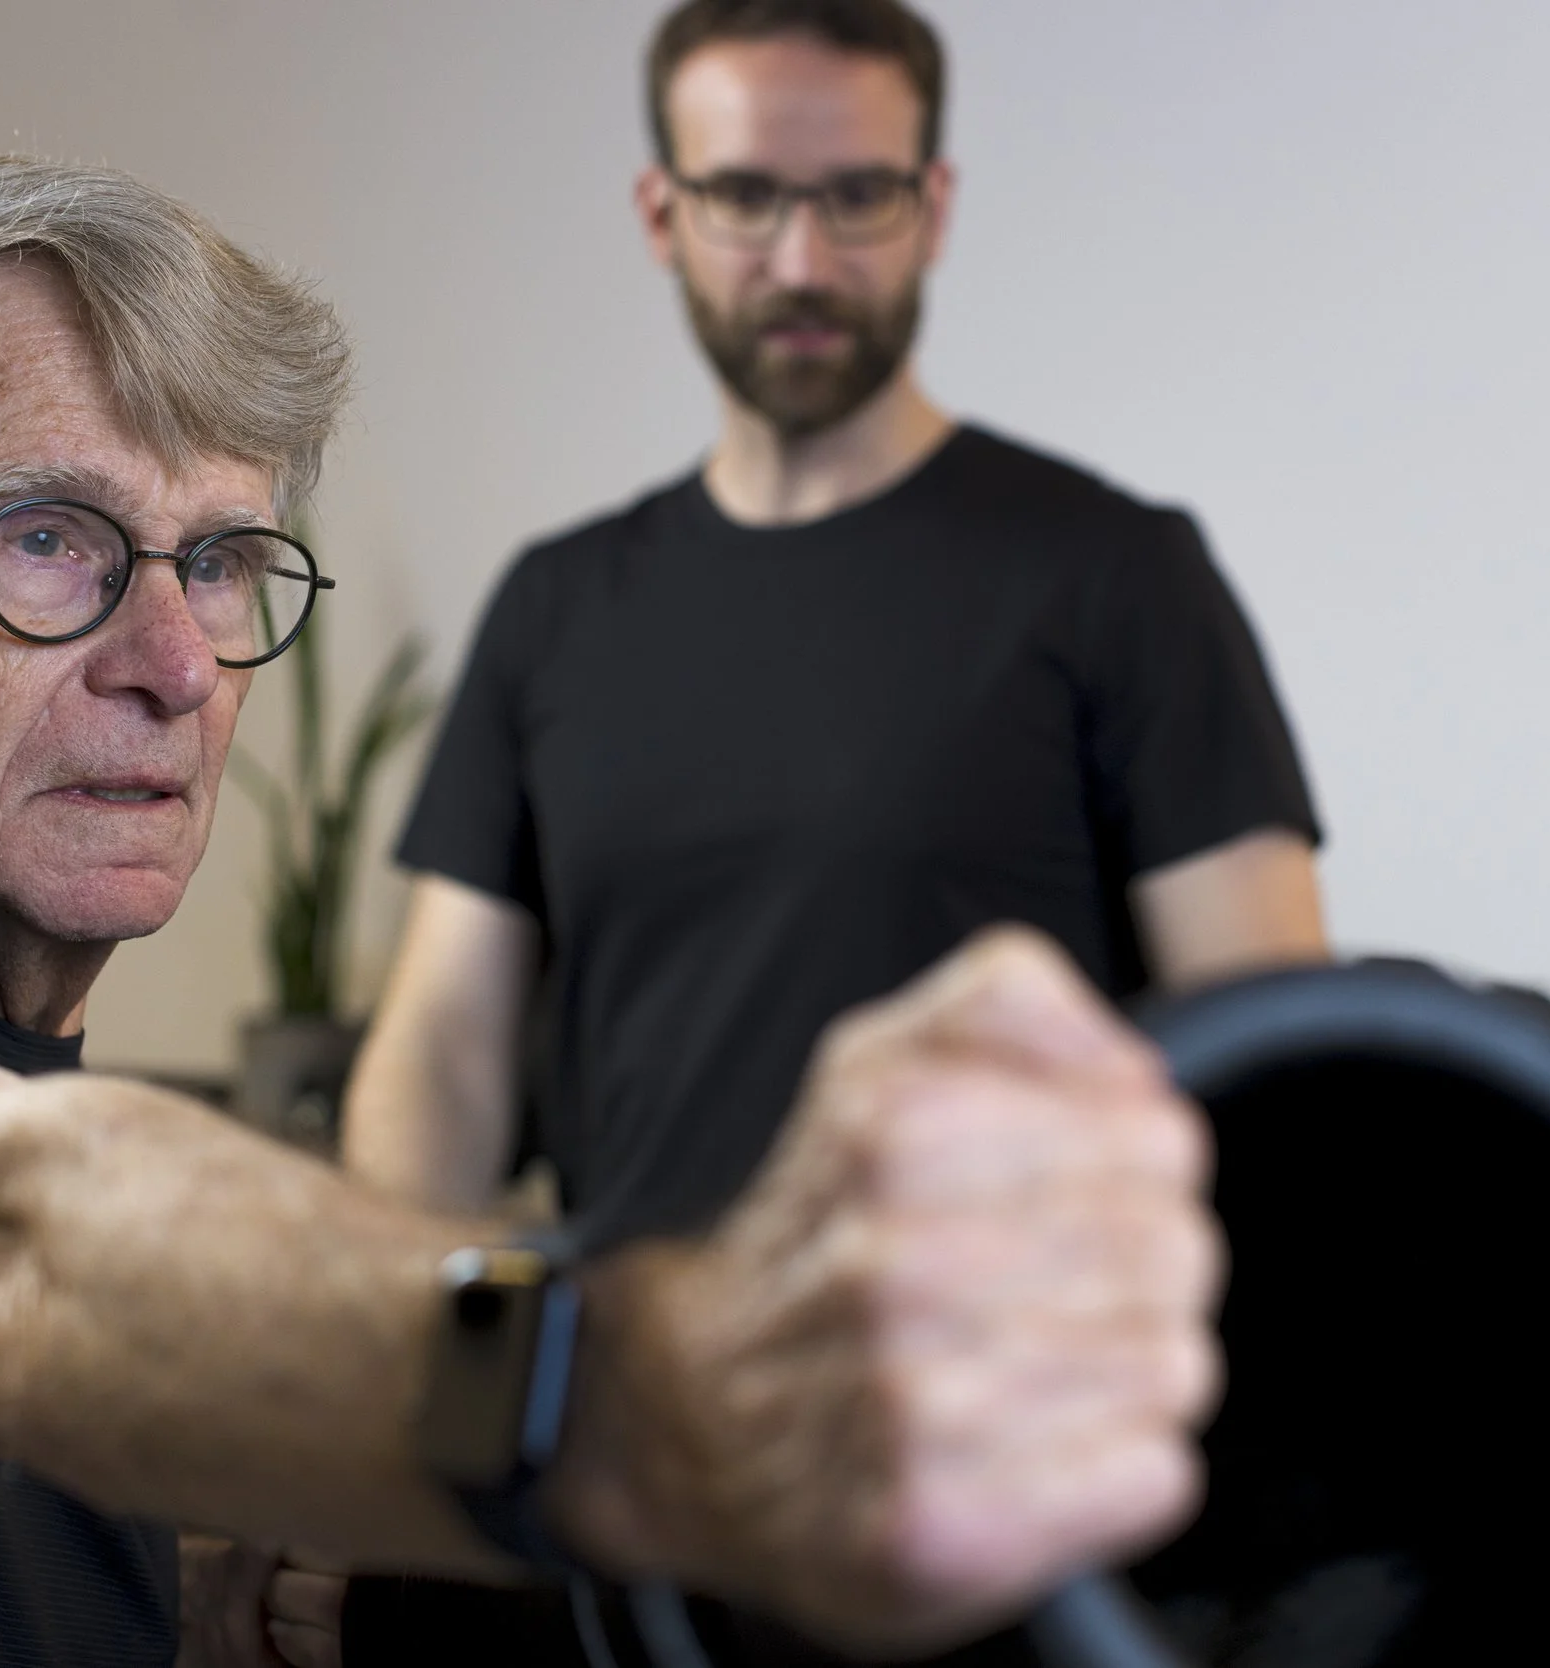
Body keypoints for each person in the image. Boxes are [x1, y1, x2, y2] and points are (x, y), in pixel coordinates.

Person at [0, 154, 1223, 1668]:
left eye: (219, 558)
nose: (172, 667)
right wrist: (645, 1377)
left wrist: (178, 1561)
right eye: (52, 540)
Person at [348, 0, 1327, 1248]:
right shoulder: (556, 605)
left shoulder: (1120, 573)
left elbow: (1279, 1061)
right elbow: (445, 1051)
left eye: (858, 196)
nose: (803, 262)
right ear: (664, 214)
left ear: (935, 206)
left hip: (986, 1412)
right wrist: (377, 1333)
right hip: (632, 1410)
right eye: (746, 196)